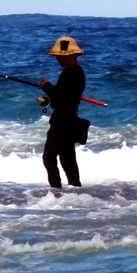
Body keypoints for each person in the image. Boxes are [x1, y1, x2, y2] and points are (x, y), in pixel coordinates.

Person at [38, 36, 87, 188]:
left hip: (62, 121)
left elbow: (59, 97)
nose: (57, 58)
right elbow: (65, 97)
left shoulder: (70, 72)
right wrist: (51, 92)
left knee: (49, 157)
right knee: (67, 159)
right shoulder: (78, 72)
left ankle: (56, 189)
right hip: (71, 119)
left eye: (58, 55)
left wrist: (46, 86)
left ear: (67, 55)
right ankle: (75, 188)